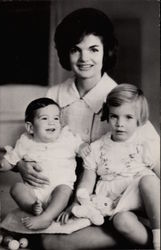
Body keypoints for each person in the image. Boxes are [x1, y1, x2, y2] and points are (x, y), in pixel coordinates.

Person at [3, 7, 159, 249]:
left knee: (55, 244)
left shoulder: (120, 99)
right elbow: (35, 142)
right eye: (76, 49)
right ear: (67, 53)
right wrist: (22, 165)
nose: (84, 58)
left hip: (113, 198)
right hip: (64, 194)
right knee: (37, 235)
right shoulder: (54, 95)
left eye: (93, 49)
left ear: (106, 51)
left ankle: (139, 235)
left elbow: (153, 154)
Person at [68, 84, 160, 250]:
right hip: (115, 203)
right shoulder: (97, 147)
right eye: (114, 116)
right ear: (107, 116)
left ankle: (159, 236)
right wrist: (77, 201)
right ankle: (150, 244)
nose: (120, 124)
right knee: (121, 222)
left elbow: (158, 170)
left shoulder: (143, 143)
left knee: (149, 181)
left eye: (128, 117)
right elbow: (87, 182)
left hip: (142, 195)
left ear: (139, 118)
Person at [0, 97, 86, 230]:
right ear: (30, 127)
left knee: (64, 190)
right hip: (34, 191)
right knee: (16, 188)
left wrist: (83, 147)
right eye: (45, 118)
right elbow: (12, 160)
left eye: (56, 118)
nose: (52, 122)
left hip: (59, 188)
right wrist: (4, 164)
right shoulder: (25, 141)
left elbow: (80, 146)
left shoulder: (66, 137)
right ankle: (33, 207)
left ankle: (46, 218)